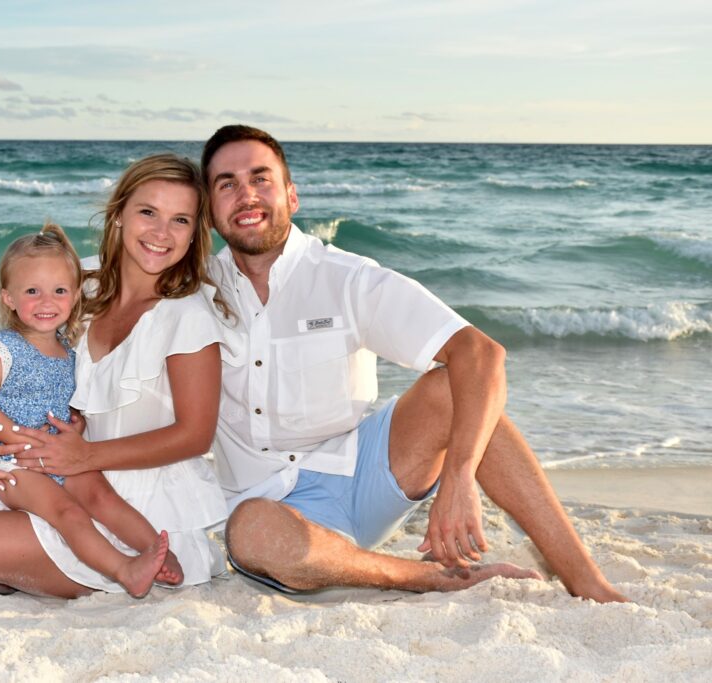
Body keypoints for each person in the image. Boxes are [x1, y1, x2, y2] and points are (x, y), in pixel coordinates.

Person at [199, 124, 627, 602]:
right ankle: (426, 578)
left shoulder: (345, 278)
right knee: (251, 530)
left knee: (452, 386)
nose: (247, 195)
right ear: (211, 209)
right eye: (228, 184)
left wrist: (460, 476)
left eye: (261, 179)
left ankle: (588, 581)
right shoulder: (192, 292)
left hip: (362, 476)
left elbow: (481, 353)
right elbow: (110, 283)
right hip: (268, 510)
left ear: (291, 196)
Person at [0, 154, 238, 598]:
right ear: (118, 214)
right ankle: (22, 558)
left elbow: (195, 436)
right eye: (147, 212)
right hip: (47, 468)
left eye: (180, 219)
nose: (161, 232)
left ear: (196, 233)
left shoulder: (187, 314)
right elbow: (0, 379)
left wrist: (85, 457)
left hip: (125, 493)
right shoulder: (79, 283)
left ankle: (91, 565)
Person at [0, 224, 178, 597]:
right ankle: (124, 570)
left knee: (103, 497)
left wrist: (75, 421)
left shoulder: (67, 350)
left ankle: (158, 553)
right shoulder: (0, 350)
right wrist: (23, 442)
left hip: (58, 455)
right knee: (69, 513)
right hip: (17, 465)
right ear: (8, 297)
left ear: (76, 295)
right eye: (32, 291)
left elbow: (65, 402)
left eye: (59, 291)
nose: (47, 301)